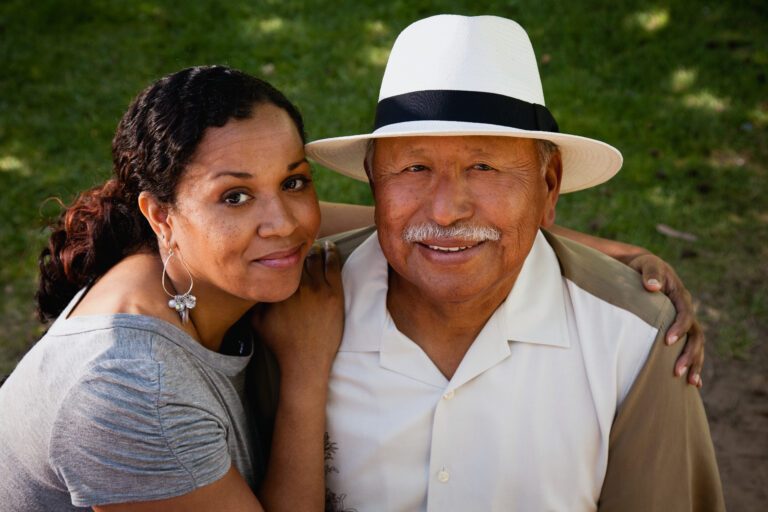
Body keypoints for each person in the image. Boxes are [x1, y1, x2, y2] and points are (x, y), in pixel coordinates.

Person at [305, 15, 724, 511]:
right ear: (375, 184)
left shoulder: (632, 337)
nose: (445, 211)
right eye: (414, 168)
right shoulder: (297, 304)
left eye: (484, 168)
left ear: (549, 187)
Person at [0, 65, 349, 511]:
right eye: (235, 197)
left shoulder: (167, 256)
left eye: (293, 181)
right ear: (161, 216)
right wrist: (306, 368)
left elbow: (395, 228)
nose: (284, 223)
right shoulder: (132, 387)